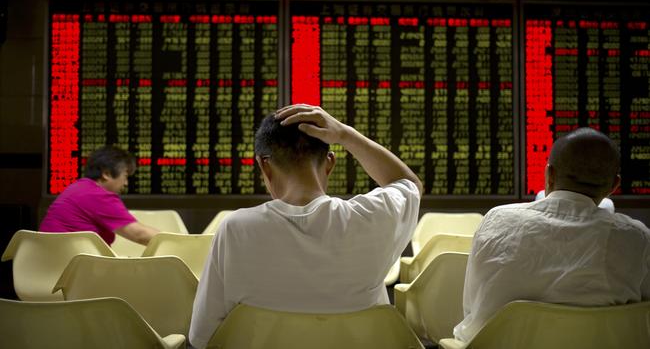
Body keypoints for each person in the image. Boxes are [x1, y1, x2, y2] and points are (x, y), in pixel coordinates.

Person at [189, 105, 423, 348]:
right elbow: (409, 184)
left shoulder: (234, 229)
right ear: (329, 163)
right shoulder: (373, 218)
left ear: (264, 166)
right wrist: (345, 134)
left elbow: (202, 336)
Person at [454, 127, 650, 342]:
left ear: (549, 174)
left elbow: (473, 309)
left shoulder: (496, 220)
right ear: (614, 186)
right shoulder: (637, 239)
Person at [40, 145, 159, 246]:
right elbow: (139, 234)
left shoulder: (78, 188)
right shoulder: (98, 195)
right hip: (72, 265)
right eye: (125, 176)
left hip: (48, 262)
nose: (126, 183)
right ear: (106, 174)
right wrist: (176, 242)